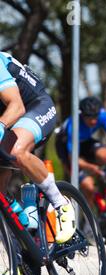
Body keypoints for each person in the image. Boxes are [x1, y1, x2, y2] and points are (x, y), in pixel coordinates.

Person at [0, 51, 75, 244]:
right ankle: (21, 251)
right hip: (11, 120)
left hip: (36, 106)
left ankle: (61, 204)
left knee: (16, 151)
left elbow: (16, 107)